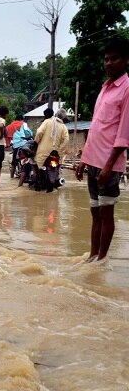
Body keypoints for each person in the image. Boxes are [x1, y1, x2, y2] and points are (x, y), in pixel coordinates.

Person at [75, 38, 129, 262]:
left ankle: (102, 259)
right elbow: (97, 128)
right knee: (95, 212)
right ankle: (93, 256)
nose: (108, 63)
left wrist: (108, 167)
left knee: (106, 214)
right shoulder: (105, 88)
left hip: (109, 164)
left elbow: (123, 134)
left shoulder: (126, 89)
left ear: (126, 60)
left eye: (114, 58)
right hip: (93, 162)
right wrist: (83, 160)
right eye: (106, 59)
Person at [34, 108, 69, 173]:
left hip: (43, 153)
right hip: (56, 154)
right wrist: (59, 151)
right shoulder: (64, 127)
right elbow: (66, 140)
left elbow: (39, 132)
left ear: (56, 114)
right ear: (64, 118)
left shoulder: (47, 122)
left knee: (39, 170)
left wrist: (36, 142)